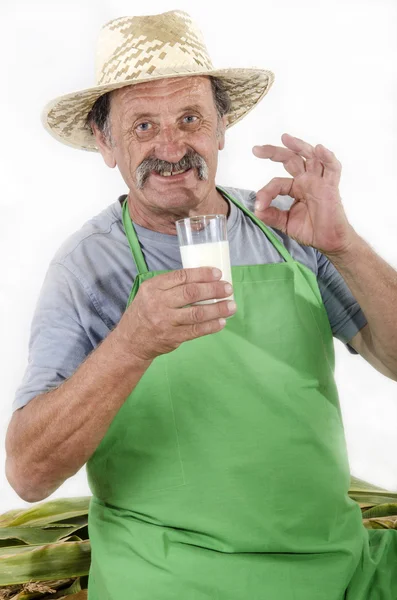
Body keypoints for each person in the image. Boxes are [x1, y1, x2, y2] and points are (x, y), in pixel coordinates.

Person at [5, 9, 397, 600]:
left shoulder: (285, 226)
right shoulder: (89, 268)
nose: (171, 146)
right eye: (142, 126)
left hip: (337, 561)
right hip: (176, 577)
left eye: (190, 118)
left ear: (222, 129)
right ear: (106, 143)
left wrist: (346, 247)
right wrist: (132, 344)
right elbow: (28, 474)